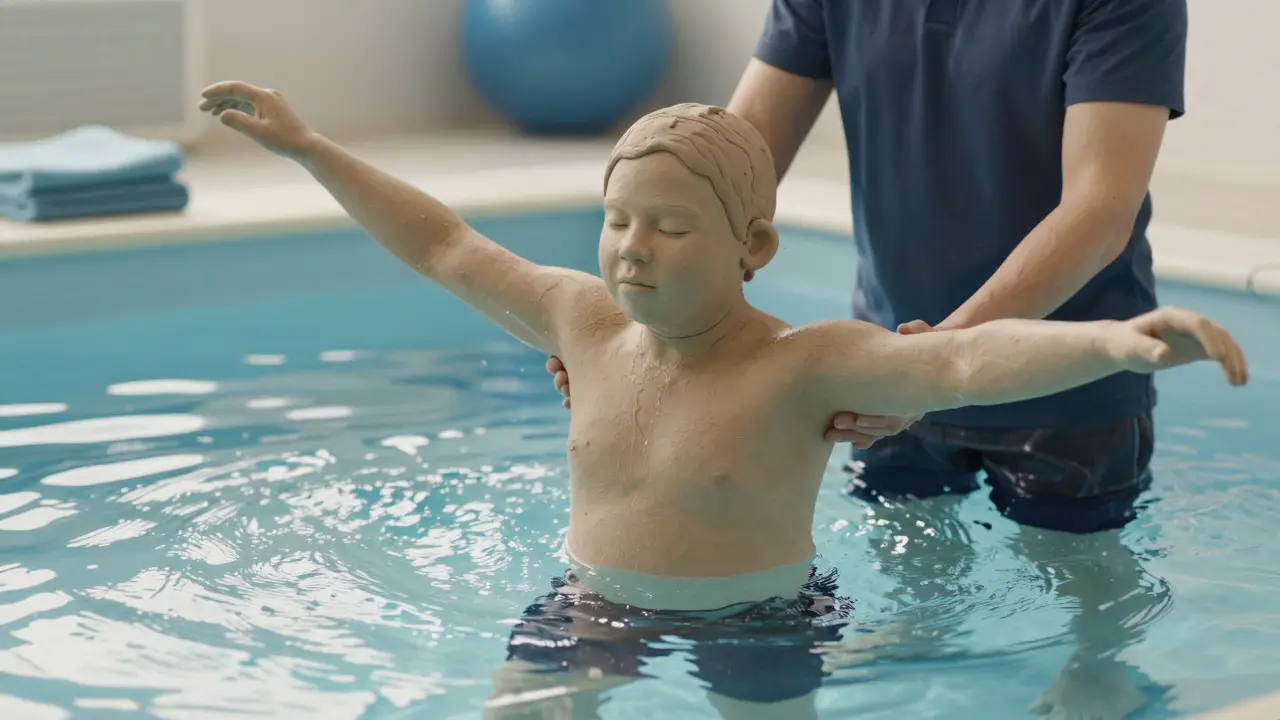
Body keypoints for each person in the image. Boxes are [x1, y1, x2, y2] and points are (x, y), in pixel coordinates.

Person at [197, 83, 1244, 718]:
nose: (631, 249)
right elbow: (444, 244)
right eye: (616, 221)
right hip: (589, 602)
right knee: (519, 714)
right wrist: (308, 148)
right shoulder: (582, 327)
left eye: (668, 226)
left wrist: (1118, 341)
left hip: (763, 615)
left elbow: (960, 368)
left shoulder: (803, 365)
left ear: (753, 249)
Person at [545, 0, 1191, 716]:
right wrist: (641, 330)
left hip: (1063, 369)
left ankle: (1097, 664)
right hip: (885, 359)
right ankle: (920, 632)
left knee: (1082, 562)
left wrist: (934, 360)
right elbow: (727, 163)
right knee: (910, 543)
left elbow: (1101, 208)